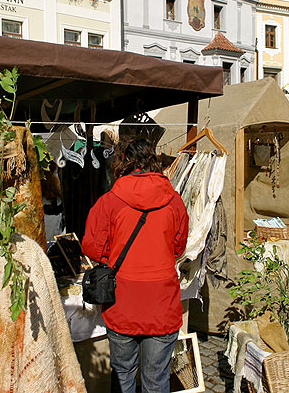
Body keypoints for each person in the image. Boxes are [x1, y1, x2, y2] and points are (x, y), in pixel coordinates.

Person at [82, 138, 188, 393]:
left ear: (122, 163)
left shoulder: (110, 201)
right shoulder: (173, 201)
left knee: (123, 375)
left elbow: (92, 247)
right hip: (162, 302)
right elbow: (179, 247)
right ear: (153, 161)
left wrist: (113, 256)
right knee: (156, 381)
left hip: (123, 301)